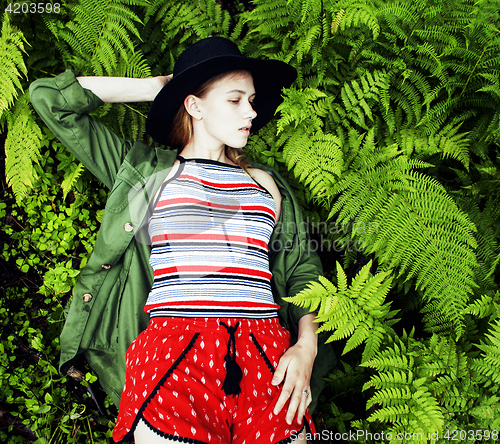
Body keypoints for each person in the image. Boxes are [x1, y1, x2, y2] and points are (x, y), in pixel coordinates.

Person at [30, 36, 335, 443]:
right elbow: (49, 98)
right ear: (194, 105)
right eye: (235, 99)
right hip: (174, 348)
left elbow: (303, 273)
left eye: (253, 99)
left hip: (267, 352)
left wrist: (306, 349)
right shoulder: (143, 173)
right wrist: (155, 88)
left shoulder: (265, 184)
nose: (251, 110)